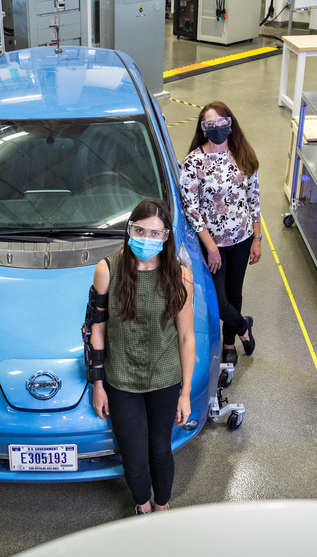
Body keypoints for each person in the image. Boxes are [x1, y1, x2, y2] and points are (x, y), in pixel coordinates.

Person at [88, 198, 196, 516]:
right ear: (129, 229)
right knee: (134, 458)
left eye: (155, 233)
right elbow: (96, 330)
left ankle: (161, 507)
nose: (146, 239)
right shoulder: (107, 270)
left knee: (160, 451)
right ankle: (143, 506)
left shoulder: (181, 277)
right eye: (140, 230)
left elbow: (187, 338)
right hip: (121, 380)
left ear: (166, 238)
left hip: (164, 378)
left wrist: (186, 393)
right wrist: (98, 385)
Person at [179, 101, 261, 367]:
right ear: (203, 129)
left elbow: (254, 200)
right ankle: (243, 328)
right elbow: (191, 209)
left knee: (234, 293)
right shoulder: (193, 162)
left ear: (230, 124)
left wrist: (257, 238)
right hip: (210, 243)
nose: (216, 128)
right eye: (209, 124)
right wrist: (211, 247)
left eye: (221, 123)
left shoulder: (243, 155)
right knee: (218, 299)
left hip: (242, 238)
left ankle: (229, 345)